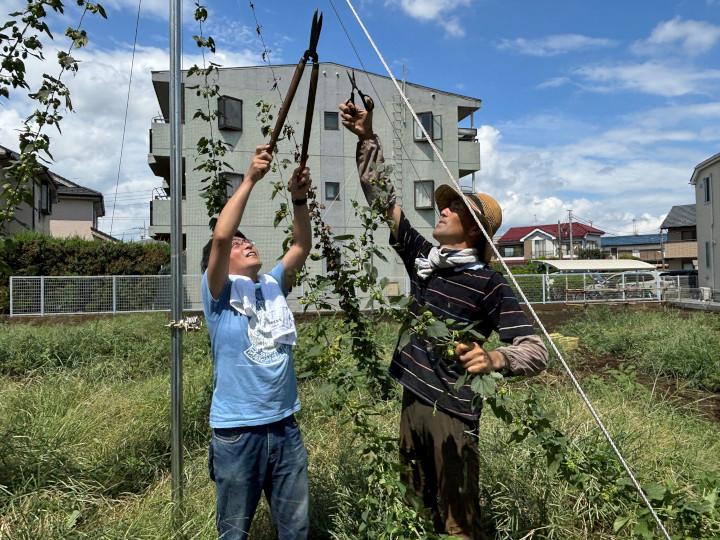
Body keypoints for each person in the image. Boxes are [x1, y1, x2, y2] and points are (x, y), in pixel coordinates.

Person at [339, 100, 549, 538]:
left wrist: (495, 359)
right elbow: (386, 202)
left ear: (474, 229)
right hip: (413, 398)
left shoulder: (488, 282)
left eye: (454, 208)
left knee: (458, 520)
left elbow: (535, 348)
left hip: (453, 413)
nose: (444, 209)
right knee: (414, 509)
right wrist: (366, 139)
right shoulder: (425, 261)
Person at [200, 144, 312, 540]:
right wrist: (249, 179)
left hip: (284, 426)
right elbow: (219, 235)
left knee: (295, 530)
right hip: (237, 433)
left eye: (247, 241)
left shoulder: (271, 285)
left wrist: (298, 199)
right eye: (237, 245)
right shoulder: (218, 295)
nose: (244, 244)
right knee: (233, 533)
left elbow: (300, 246)